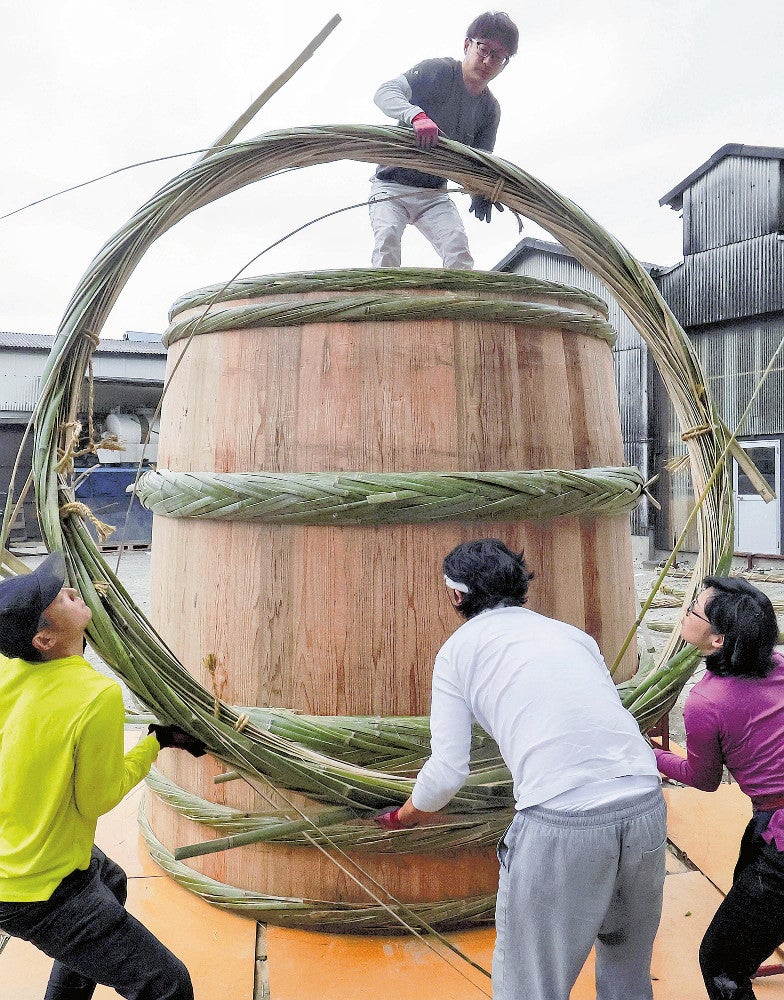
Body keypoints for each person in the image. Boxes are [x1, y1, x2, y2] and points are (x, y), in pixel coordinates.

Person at [377, 538, 666, 1000]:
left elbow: (448, 770)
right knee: (627, 968)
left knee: (531, 982)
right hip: (644, 800)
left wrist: (405, 814)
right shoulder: (572, 635)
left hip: (563, 820)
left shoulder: (458, 651)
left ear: (456, 595)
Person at [0, 551, 205, 1000]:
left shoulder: (7, 667)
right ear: (44, 639)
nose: (72, 590)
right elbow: (98, 798)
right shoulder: (96, 696)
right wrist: (155, 741)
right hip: (36, 891)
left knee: (108, 879)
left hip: (13, 857)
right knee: (167, 984)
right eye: (60, 597)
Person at [653, 576, 784, 1000]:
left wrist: (645, 756)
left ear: (717, 640)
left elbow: (704, 779)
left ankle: (739, 959)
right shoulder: (781, 666)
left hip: (780, 836)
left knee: (719, 963)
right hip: (770, 822)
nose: (686, 609)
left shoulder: (706, 703)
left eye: (694, 609)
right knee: (748, 870)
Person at [369, 11, 518, 269]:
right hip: (391, 185)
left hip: (434, 193)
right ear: (467, 45)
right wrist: (416, 116)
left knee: (458, 249)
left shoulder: (489, 109)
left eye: (499, 57)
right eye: (483, 49)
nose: (487, 61)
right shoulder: (437, 72)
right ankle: (381, 306)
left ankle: (458, 308)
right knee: (387, 239)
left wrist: (479, 192)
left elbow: (478, 161)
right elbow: (385, 92)